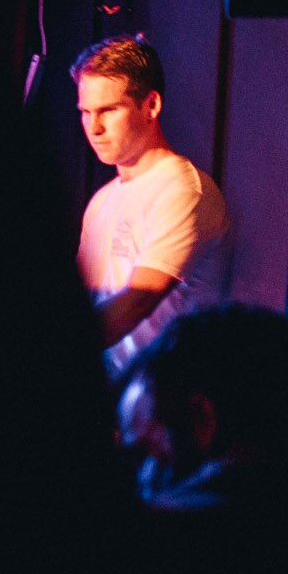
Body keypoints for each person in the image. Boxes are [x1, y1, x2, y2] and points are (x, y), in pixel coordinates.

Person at [72, 34, 231, 373]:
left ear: (151, 105)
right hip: (110, 394)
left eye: (108, 110)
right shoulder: (102, 201)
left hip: (165, 402)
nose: (94, 127)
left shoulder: (183, 189)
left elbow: (138, 299)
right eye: (85, 112)